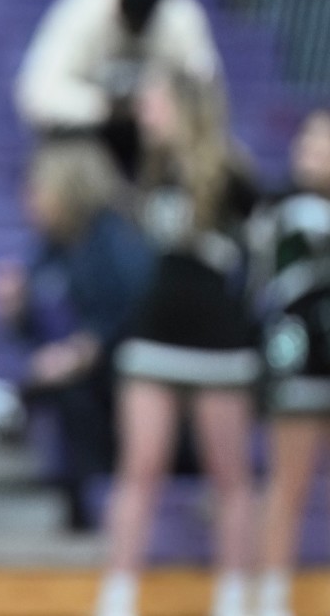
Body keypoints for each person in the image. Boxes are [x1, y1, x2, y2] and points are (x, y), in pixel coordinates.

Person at [94, 65, 260, 616]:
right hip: (154, 336)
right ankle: (118, 596)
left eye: (155, 101)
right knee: (139, 469)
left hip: (219, 341)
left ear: (186, 107)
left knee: (230, 475)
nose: (145, 110)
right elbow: (97, 120)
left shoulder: (237, 177)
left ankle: (234, 597)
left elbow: (258, 265)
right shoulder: (146, 164)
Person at [0, 138, 154, 532]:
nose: (28, 199)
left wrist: (81, 351)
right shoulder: (50, 246)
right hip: (74, 373)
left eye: (37, 188)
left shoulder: (114, 240)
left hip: (121, 373)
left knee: (65, 391)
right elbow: (37, 328)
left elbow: (130, 313)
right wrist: (16, 309)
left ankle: (86, 505)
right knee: (44, 385)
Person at [13, 0, 221, 178]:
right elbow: (36, 95)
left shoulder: (179, 16)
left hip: (154, 145)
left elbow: (206, 93)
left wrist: (163, 111)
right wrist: (110, 108)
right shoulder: (86, 8)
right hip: (90, 139)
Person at [249, 108, 330, 616]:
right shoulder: (278, 211)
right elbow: (268, 287)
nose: (312, 153)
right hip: (298, 357)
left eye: (324, 146)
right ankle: (272, 596)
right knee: (288, 483)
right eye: (307, 144)